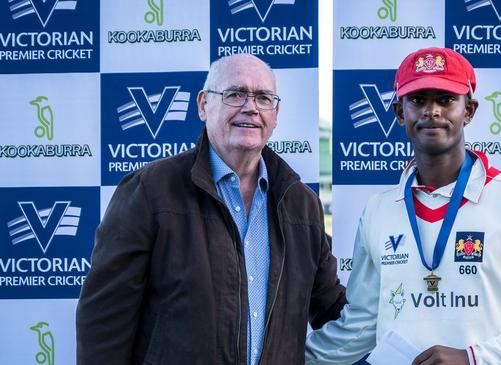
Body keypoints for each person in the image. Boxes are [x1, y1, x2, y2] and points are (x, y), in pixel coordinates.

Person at [305, 47, 501, 365]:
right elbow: (361, 326)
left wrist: (474, 358)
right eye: (418, 100)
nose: (432, 111)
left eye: (445, 99)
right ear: (400, 112)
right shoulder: (378, 211)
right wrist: (279, 355)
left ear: (469, 111)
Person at [76, 54, 346, 364]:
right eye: (235, 94)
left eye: (263, 97)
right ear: (204, 104)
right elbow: (104, 323)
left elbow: (332, 308)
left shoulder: (301, 204)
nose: (251, 108)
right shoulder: (149, 191)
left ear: (276, 113)